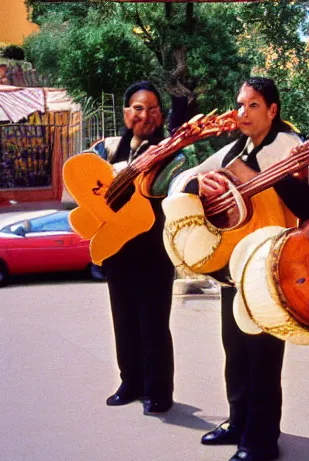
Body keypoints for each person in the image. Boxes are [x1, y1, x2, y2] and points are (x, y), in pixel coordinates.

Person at [184, 76, 309, 461]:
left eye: (252, 106)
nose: (242, 113)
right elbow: (191, 177)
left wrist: (264, 179)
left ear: (273, 110)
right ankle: (239, 421)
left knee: (263, 356)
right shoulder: (236, 148)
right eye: (240, 105)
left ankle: (262, 439)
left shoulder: (291, 147)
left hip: (272, 270)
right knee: (236, 350)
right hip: (235, 265)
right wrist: (202, 181)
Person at [91, 81, 178, 416]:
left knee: (153, 323)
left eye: (153, 108)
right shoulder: (109, 150)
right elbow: (89, 190)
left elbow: (170, 189)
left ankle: (158, 391)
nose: (146, 115)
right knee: (123, 319)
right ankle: (131, 383)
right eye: (138, 108)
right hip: (117, 250)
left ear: (161, 114)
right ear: (127, 113)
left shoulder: (172, 151)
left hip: (153, 251)